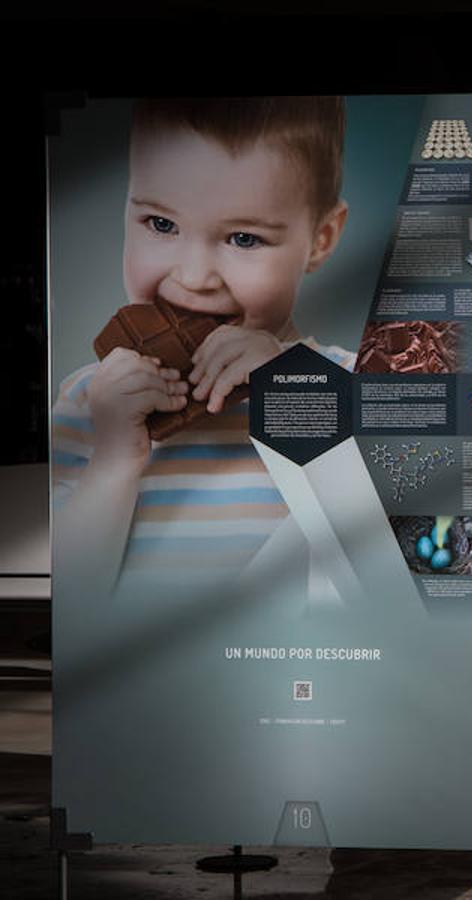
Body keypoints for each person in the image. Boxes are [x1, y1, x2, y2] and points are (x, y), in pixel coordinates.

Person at [51, 97, 353, 594]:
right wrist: (113, 462)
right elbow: (71, 602)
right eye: (161, 225)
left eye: (244, 238)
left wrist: (291, 395)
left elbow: (383, 552)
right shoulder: (92, 399)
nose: (193, 278)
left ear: (320, 239)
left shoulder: (352, 383)